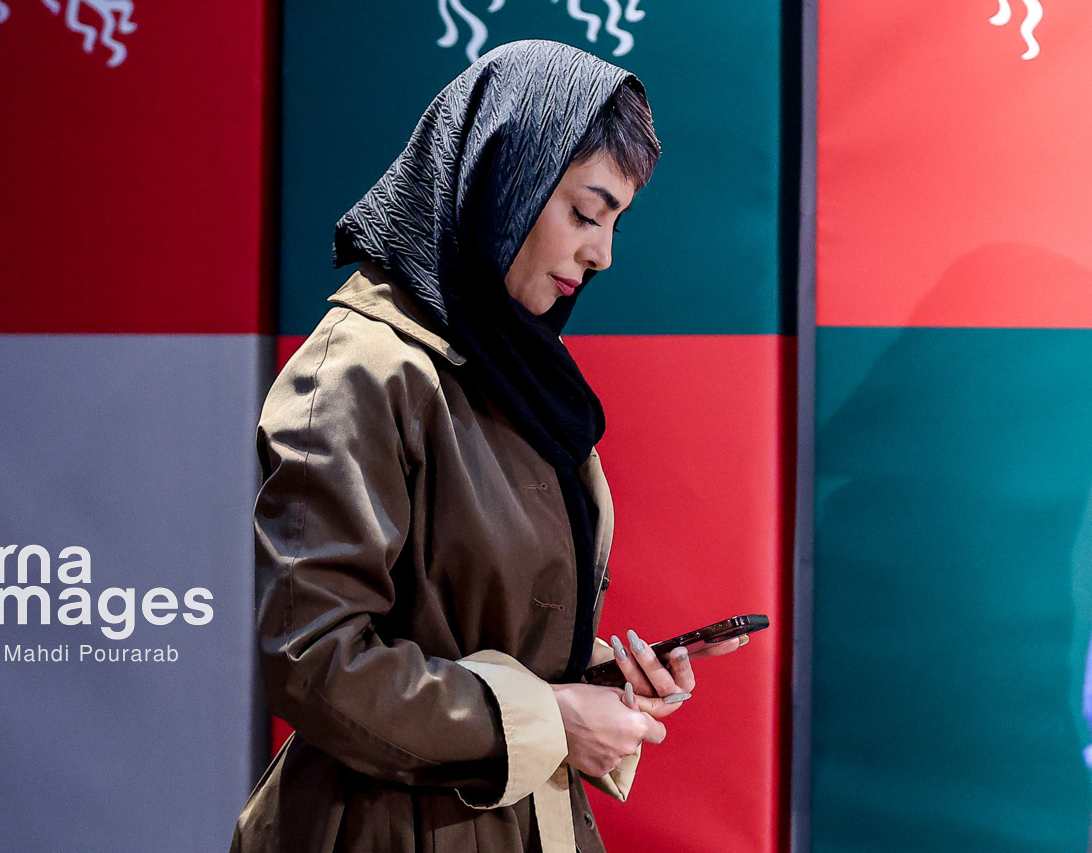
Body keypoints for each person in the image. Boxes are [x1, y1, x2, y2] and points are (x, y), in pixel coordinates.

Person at [231, 39, 745, 853]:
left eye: (616, 223)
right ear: (505, 179)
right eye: (586, 213)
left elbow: (470, 632)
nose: (602, 254)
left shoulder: (506, 363)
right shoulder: (362, 369)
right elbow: (315, 659)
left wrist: (597, 685)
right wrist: (551, 717)